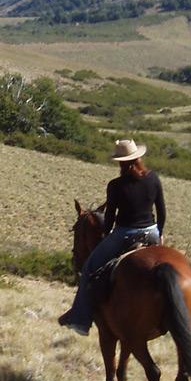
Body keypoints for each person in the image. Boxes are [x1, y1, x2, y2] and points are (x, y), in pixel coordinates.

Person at [58, 139, 166, 336]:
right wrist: (160, 234)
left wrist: (106, 234)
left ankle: (80, 320)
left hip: (126, 232)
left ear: (120, 162)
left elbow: (109, 217)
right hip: (152, 231)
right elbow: (162, 211)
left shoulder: (115, 185)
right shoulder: (153, 178)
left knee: (90, 266)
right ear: (138, 157)